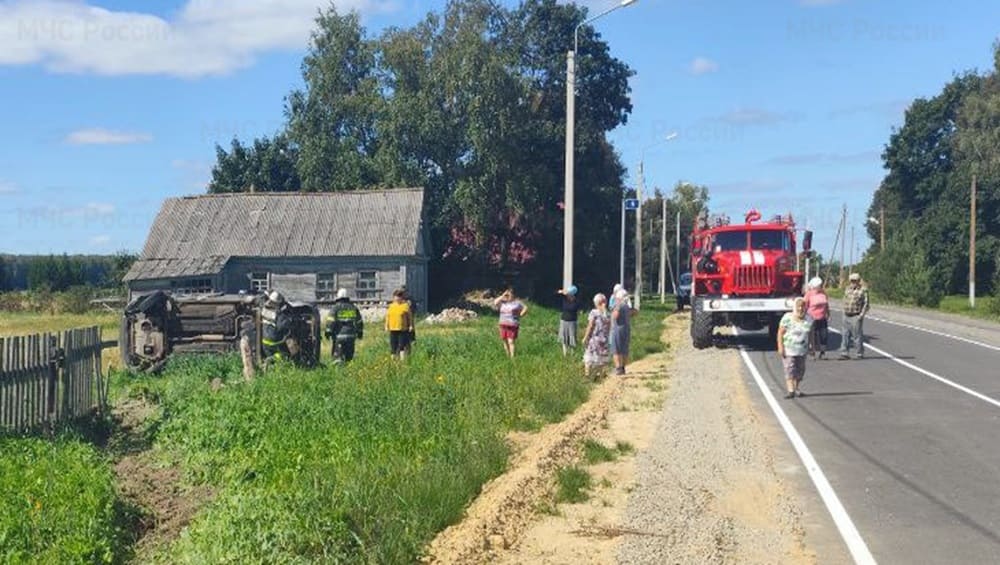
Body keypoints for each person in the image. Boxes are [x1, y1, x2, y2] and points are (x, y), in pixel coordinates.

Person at [777, 297, 812, 399]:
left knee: (800, 369)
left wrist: (812, 347)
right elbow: (780, 332)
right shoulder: (787, 318)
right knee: (790, 368)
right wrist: (780, 346)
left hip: (802, 349)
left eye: (803, 306)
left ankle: (796, 388)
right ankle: (790, 390)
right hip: (789, 349)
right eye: (799, 306)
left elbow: (811, 334)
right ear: (794, 307)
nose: (801, 309)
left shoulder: (809, 319)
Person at [326, 288, 363, 364]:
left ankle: (339, 372)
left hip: (339, 336)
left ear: (338, 298)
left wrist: (328, 331)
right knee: (349, 358)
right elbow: (359, 321)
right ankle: (348, 371)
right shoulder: (353, 308)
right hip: (351, 336)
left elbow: (331, 321)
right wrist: (360, 332)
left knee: (338, 358)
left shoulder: (335, 308)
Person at [839, 272, 870, 360]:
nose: (853, 282)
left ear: (858, 281)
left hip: (856, 315)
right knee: (845, 334)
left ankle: (859, 353)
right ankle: (844, 353)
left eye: (855, 280)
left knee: (857, 335)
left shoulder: (863, 290)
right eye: (852, 280)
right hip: (846, 314)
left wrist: (861, 315)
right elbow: (844, 299)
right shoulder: (847, 289)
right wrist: (843, 310)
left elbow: (866, 304)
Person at [582, 293, 611, 379]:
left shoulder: (594, 313)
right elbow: (609, 327)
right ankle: (600, 375)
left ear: (596, 303)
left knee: (589, 356)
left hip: (594, 339)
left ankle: (587, 375)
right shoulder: (608, 314)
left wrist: (585, 337)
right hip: (604, 339)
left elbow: (590, 326)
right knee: (601, 358)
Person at [609, 288, 637, 375]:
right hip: (626, 328)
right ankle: (623, 367)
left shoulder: (619, 305)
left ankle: (618, 368)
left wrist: (613, 311)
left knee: (616, 349)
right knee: (624, 349)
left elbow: (615, 316)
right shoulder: (626, 306)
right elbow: (635, 312)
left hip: (617, 329)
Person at [494, 288, 528, 358]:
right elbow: (495, 302)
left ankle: (512, 357)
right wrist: (502, 295)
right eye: (506, 295)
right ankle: (507, 356)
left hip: (512, 325)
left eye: (509, 295)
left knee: (511, 341)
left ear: (513, 295)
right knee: (504, 341)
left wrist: (521, 314)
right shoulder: (502, 303)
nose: (507, 296)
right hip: (503, 324)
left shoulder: (517, 303)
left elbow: (525, 307)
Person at [803, 276, 830, 359]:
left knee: (824, 335)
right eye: (819, 285)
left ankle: (823, 352)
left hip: (822, 317)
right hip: (811, 318)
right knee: (812, 336)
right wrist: (803, 315)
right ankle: (812, 352)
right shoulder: (809, 294)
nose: (821, 286)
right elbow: (805, 305)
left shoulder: (823, 293)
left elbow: (826, 304)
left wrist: (828, 313)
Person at [261, 290, 291, 363]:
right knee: (286, 355)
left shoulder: (264, 309)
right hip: (274, 342)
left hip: (264, 341)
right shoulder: (278, 314)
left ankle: (269, 365)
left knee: (270, 356)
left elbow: (261, 298)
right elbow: (282, 327)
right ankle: (270, 359)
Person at [385, 289, 413, 360]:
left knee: (401, 346)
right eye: (395, 296)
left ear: (401, 297)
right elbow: (388, 316)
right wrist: (386, 326)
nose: (397, 298)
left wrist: (410, 326)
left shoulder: (405, 306)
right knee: (393, 345)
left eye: (398, 296)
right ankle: (393, 360)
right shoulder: (391, 306)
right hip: (393, 328)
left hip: (402, 329)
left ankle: (402, 360)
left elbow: (410, 317)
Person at [557, 285, 584, 356]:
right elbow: (558, 293)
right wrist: (562, 292)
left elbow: (576, 309)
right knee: (564, 337)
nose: (568, 295)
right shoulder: (564, 299)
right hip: (564, 320)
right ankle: (565, 354)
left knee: (572, 338)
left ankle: (572, 353)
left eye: (569, 294)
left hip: (572, 321)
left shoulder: (576, 301)